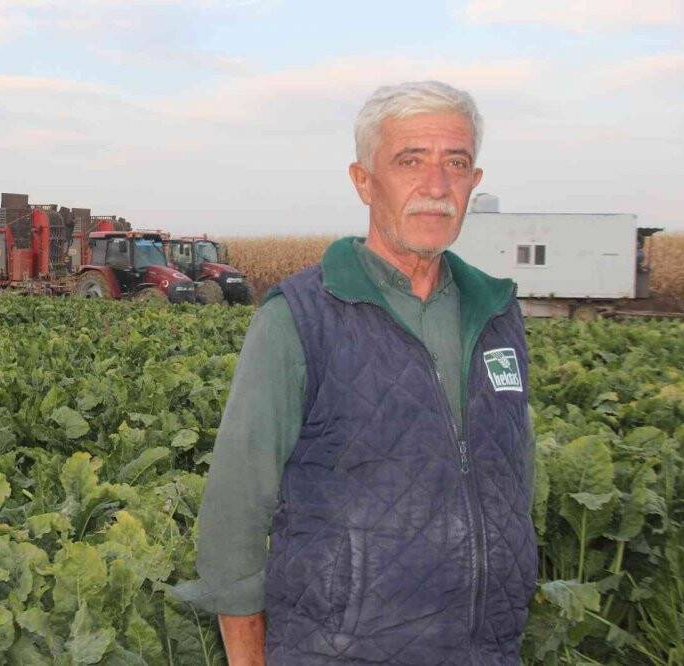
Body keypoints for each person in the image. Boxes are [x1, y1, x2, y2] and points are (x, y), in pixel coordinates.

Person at [172, 81, 538, 665]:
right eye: (410, 161)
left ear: (474, 181)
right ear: (364, 181)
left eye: (456, 163)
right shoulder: (301, 317)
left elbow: (516, 474)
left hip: (486, 649)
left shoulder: (497, 313)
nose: (437, 186)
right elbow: (236, 509)